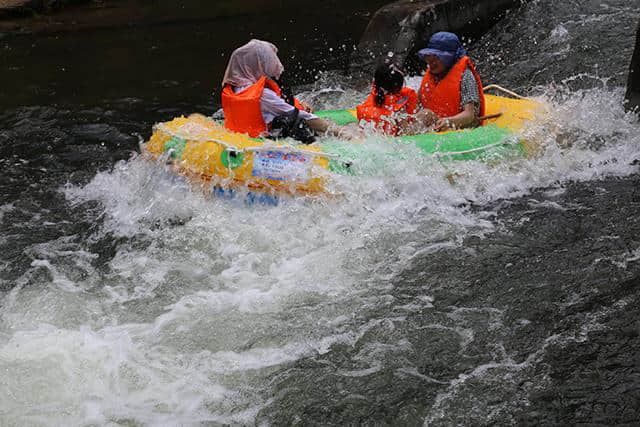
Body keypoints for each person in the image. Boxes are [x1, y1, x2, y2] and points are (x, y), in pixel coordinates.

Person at [221, 39, 339, 142]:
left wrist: (300, 105)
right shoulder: (263, 95)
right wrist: (339, 133)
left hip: (239, 137)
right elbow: (302, 116)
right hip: (261, 142)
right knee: (298, 123)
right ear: (257, 64)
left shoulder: (234, 87)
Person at [417, 32, 485, 131]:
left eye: (436, 57)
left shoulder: (465, 76)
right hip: (435, 126)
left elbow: (469, 115)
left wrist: (449, 121)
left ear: (449, 58)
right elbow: (418, 105)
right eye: (429, 56)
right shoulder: (433, 75)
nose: (431, 62)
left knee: (426, 114)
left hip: (457, 128)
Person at [356, 61, 418, 135]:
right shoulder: (395, 114)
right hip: (392, 134)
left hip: (367, 130)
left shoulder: (371, 99)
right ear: (398, 88)